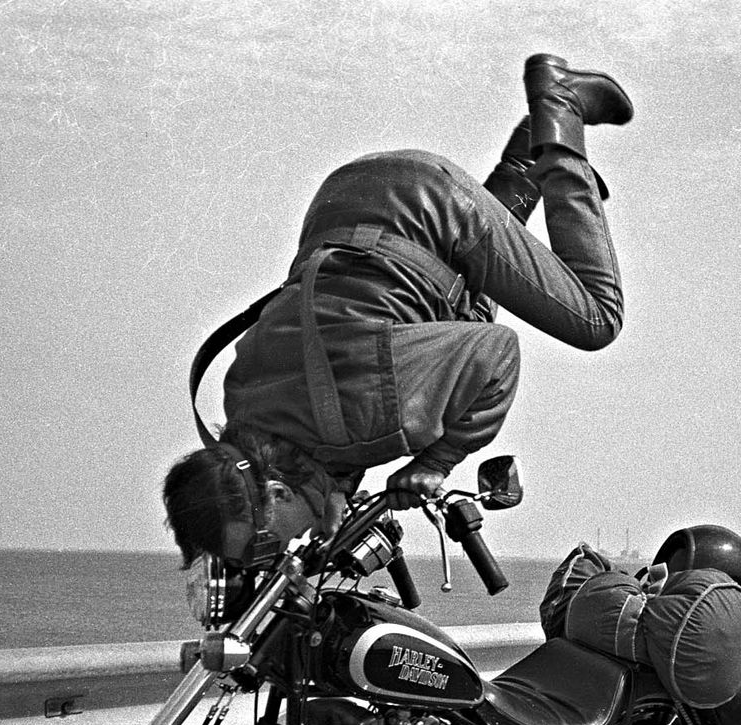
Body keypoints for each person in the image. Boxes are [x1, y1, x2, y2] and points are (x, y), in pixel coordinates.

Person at [164, 53, 634, 567]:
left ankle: (561, 109)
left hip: (427, 204)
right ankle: (533, 143)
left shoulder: (371, 411)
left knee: (595, 320)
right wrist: (338, 489)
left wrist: (436, 461)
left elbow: (496, 354)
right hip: (349, 200)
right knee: (458, 313)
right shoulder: (243, 411)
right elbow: (326, 413)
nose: (274, 556)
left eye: (264, 547)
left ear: (276, 496)